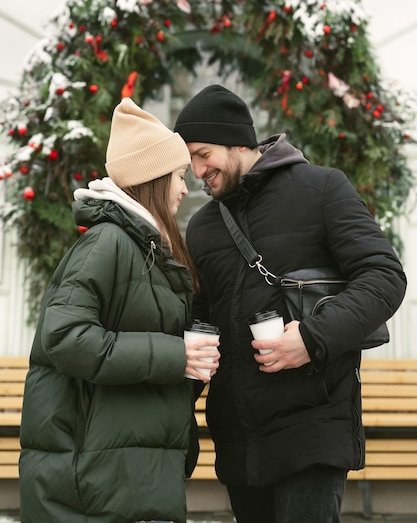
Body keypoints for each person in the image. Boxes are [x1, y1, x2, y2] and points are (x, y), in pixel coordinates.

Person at [174, 84, 407, 523]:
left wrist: (313, 338)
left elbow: (384, 277)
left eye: (203, 154)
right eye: (190, 161)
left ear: (237, 140)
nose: (197, 170)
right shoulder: (203, 227)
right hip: (239, 435)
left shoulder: (321, 188)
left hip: (313, 424)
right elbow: (203, 322)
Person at [19, 97, 220, 523]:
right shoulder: (107, 242)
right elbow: (65, 337)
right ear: (151, 178)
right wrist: (176, 355)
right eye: (179, 176)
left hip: (126, 473)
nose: (185, 189)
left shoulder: (146, 248)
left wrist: (189, 360)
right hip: (95, 481)